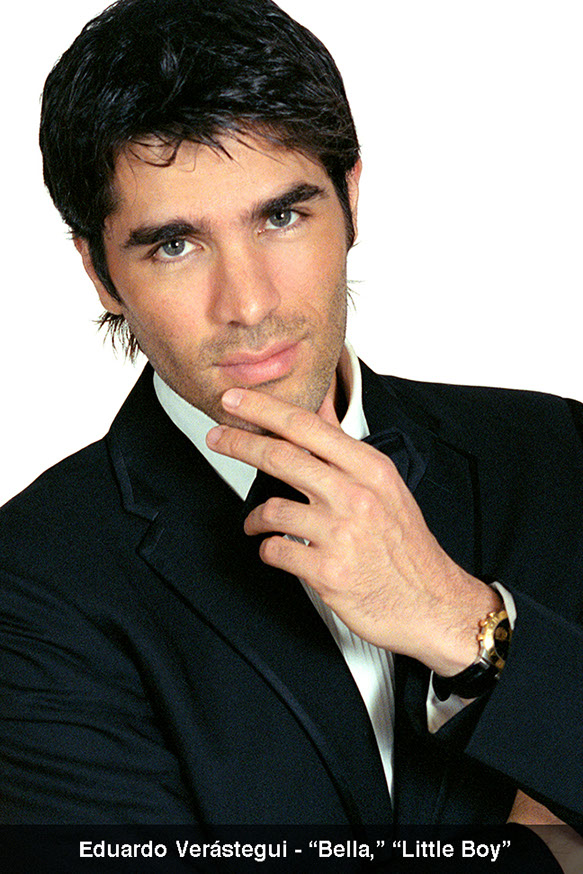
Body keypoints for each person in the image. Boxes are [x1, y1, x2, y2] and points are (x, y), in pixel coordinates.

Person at [1, 0, 582, 867]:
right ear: (100, 273)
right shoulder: (29, 581)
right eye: (174, 245)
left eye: (281, 217)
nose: (248, 304)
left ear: (350, 199)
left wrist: (463, 623)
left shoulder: (557, 454)